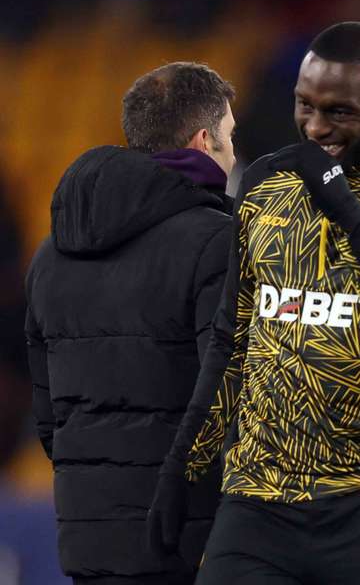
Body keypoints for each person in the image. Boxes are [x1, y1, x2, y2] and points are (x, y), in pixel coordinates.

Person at [147, 22, 360, 585]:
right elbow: (231, 341)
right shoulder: (264, 182)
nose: (316, 126)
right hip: (258, 500)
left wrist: (348, 211)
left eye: (339, 112)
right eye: (304, 105)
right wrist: (182, 470)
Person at [24, 62, 237, 584]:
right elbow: (230, 392)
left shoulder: (50, 253)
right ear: (203, 140)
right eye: (231, 137)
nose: (234, 153)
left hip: (89, 536)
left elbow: (48, 415)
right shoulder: (217, 240)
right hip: (189, 538)